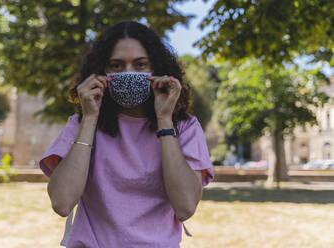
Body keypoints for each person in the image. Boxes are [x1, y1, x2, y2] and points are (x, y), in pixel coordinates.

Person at [39, 21, 214, 248]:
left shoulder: (185, 127)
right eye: (116, 65)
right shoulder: (81, 124)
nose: (128, 73)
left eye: (140, 65)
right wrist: (90, 118)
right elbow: (62, 203)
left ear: (157, 69)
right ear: (102, 72)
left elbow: (185, 207)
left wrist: (164, 120)